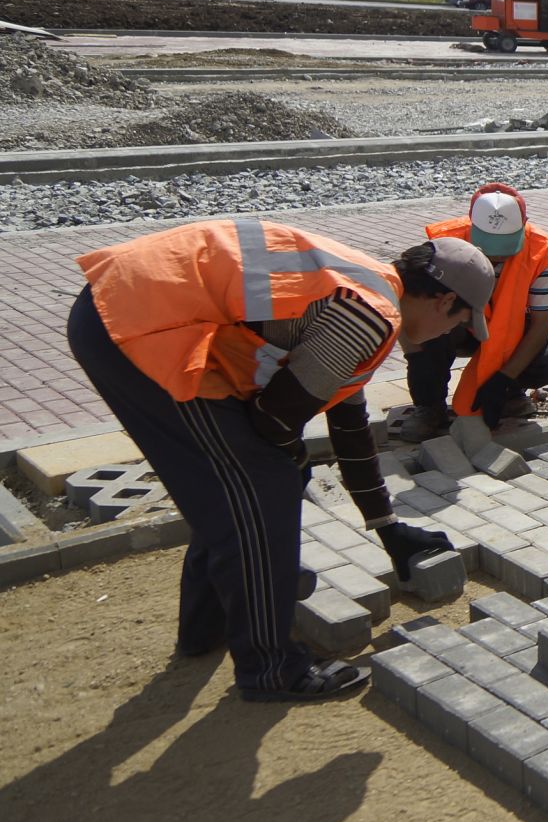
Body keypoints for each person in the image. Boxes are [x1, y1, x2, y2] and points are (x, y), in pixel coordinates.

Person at [67, 222, 495, 701]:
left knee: (236, 485)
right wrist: (288, 472)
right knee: (263, 482)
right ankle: (271, 668)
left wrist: (386, 525)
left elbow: (347, 420)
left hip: (125, 306)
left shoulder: (367, 287)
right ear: (443, 302)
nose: (448, 334)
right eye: (457, 324)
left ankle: (205, 629)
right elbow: (273, 423)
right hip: (137, 323)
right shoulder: (370, 316)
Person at [404, 183, 548, 438]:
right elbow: (412, 314)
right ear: (472, 227)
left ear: (523, 226)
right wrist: (417, 359)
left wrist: (503, 380)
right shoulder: (444, 247)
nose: (496, 259)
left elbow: (540, 325)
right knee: (432, 328)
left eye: (505, 251)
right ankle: (429, 406)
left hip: (511, 330)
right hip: (461, 328)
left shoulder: (541, 251)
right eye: (489, 251)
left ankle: (510, 394)